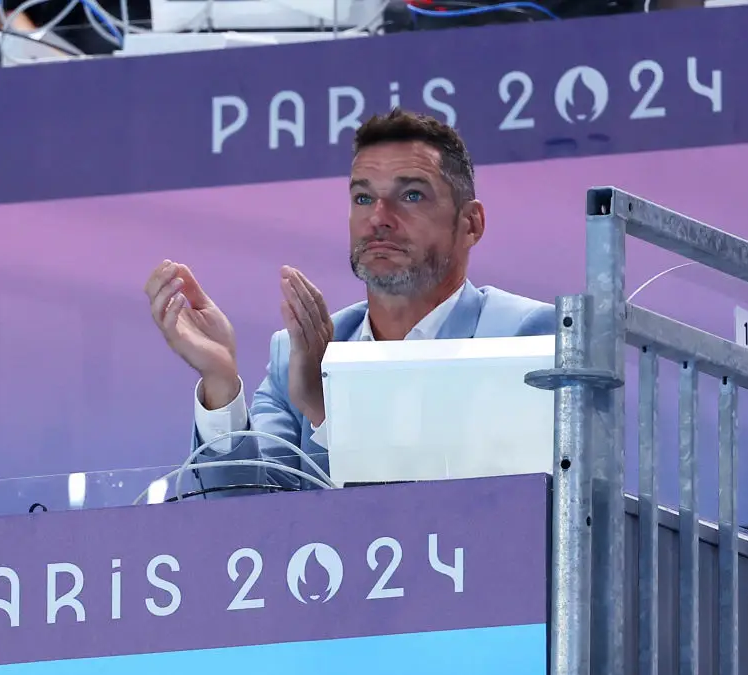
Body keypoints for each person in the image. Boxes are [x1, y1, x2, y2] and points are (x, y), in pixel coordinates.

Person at [143, 107, 555, 497]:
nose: (379, 217)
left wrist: (326, 412)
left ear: (471, 223)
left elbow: (487, 519)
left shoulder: (527, 337)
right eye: (362, 198)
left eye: (411, 195)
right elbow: (247, 529)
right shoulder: (295, 356)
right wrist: (221, 382)